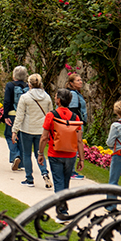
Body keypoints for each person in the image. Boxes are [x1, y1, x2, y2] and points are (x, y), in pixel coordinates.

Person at [42, 91, 84, 219]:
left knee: (59, 183)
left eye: (55, 97)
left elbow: (44, 137)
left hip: (55, 153)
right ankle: (63, 207)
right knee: (65, 183)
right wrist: (81, 158)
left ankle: (62, 211)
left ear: (58, 100)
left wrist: (40, 153)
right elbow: (79, 140)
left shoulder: (51, 115)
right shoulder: (75, 117)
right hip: (71, 154)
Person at [12, 74, 52, 188]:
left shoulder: (25, 97)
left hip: (27, 129)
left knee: (26, 154)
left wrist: (14, 130)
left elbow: (20, 115)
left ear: (29, 84)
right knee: (40, 153)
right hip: (41, 129)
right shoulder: (47, 97)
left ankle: (29, 178)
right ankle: (44, 172)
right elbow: (50, 114)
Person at [1, 65, 28, 171]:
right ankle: (21, 163)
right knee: (21, 138)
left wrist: (5, 115)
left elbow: (7, 101)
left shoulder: (10, 85)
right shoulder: (27, 86)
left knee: (9, 135)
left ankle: (15, 155)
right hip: (24, 115)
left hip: (12, 114)